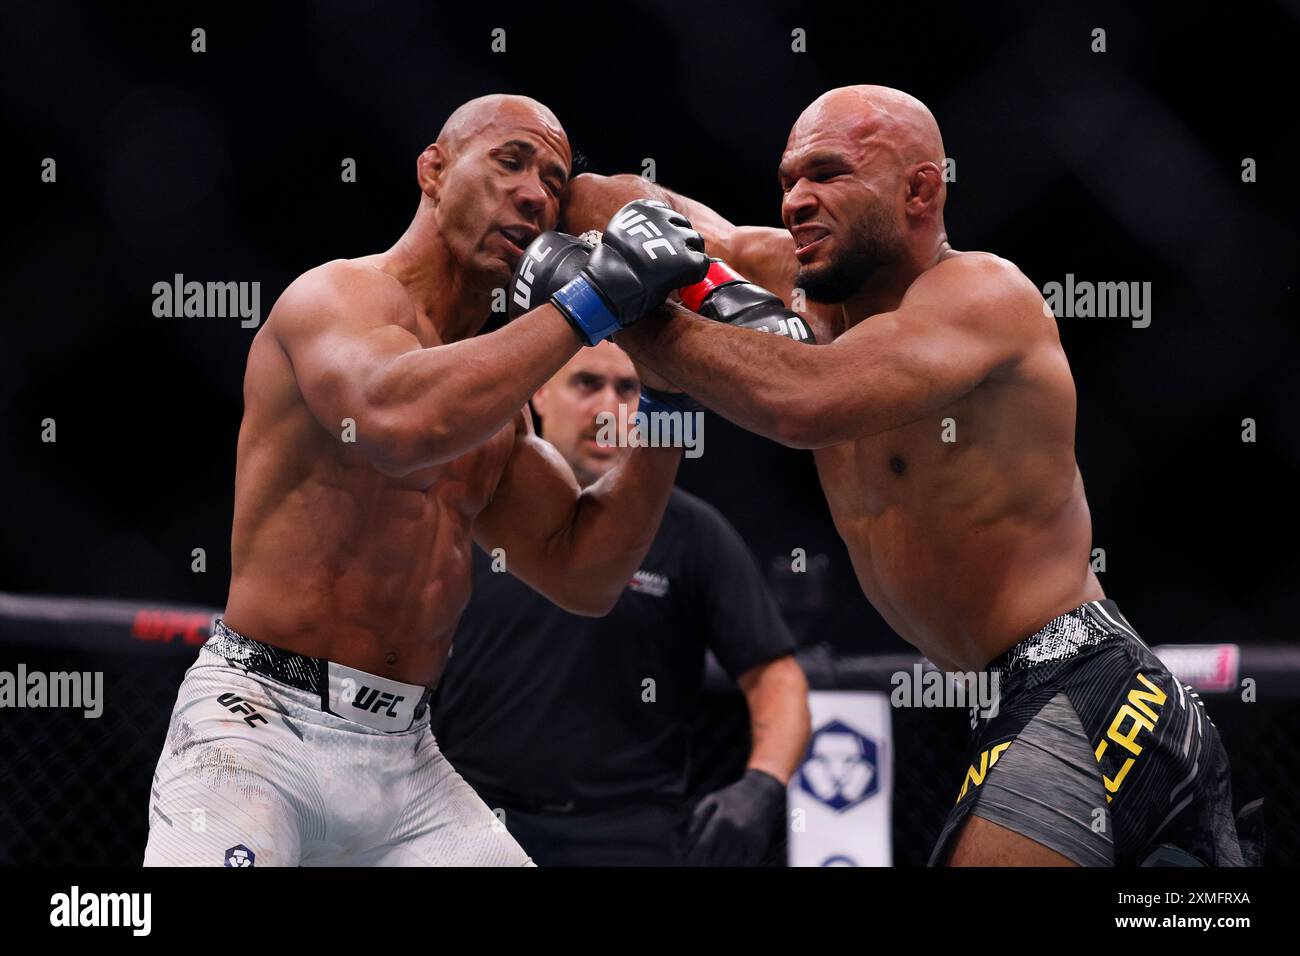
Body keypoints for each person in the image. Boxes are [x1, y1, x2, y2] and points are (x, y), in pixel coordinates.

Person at [548, 85, 1243, 866]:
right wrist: (543, 184)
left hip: (1088, 686)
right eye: (787, 181)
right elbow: (661, 211)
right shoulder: (791, 284)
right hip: (1014, 698)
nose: (797, 201)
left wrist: (616, 311)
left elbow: (805, 400)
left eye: (827, 173)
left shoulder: (980, 297)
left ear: (920, 188)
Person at [142, 94, 710, 866]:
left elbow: (586, 572)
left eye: (552, 180)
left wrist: (671, 394)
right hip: (256, 726)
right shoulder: (336, 300)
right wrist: (594, 302)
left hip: (404, 758)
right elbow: (397, 424)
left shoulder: (496, 410)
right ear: (434, 171)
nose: (534, 194)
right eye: (509, 161)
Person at [431, 340, 810, 866]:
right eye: (587, 383)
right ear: (539, 391)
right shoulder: (469, 518)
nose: (608, 409)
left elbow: (776, 676)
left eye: (628, 387)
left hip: (630, 837)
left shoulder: (692, 532)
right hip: (468, 817)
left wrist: (763, 784)